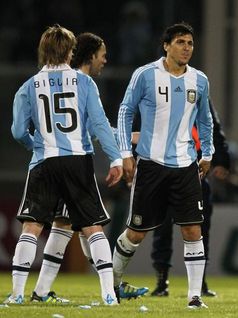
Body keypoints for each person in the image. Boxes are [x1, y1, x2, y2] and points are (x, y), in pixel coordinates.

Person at [5, 25, 122, 305]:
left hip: (44, 162)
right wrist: (116, 157)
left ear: (43, 51)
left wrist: (38, 146)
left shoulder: (28, 86)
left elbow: (18, 131)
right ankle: (108, 295)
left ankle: (18, 294)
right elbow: (99, 124)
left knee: (31, 228)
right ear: (70, 52)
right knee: (93, 227)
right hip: (77, 162)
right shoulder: (84, 83)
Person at [113, 22, 214, 309]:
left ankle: (194, 297)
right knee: (136, 233)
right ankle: (112, 285)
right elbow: (125, 112)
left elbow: (204, 120)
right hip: (151, 164)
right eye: (181, 42)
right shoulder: (145, 75)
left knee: (193, 230)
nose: (186, 48)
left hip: (185, 166)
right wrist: (125, 152)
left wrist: (207, 153)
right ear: (166, 45)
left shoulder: (200, 80)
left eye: (190, 43)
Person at [150, 99, 230, 298]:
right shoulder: (159, 95)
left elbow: (213, 128)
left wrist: (221, 161)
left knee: (201, 229)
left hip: (195, 173)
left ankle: (199, 281)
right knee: (162, 229)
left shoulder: (200, 95)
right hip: (164, 171)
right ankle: (162, 280)